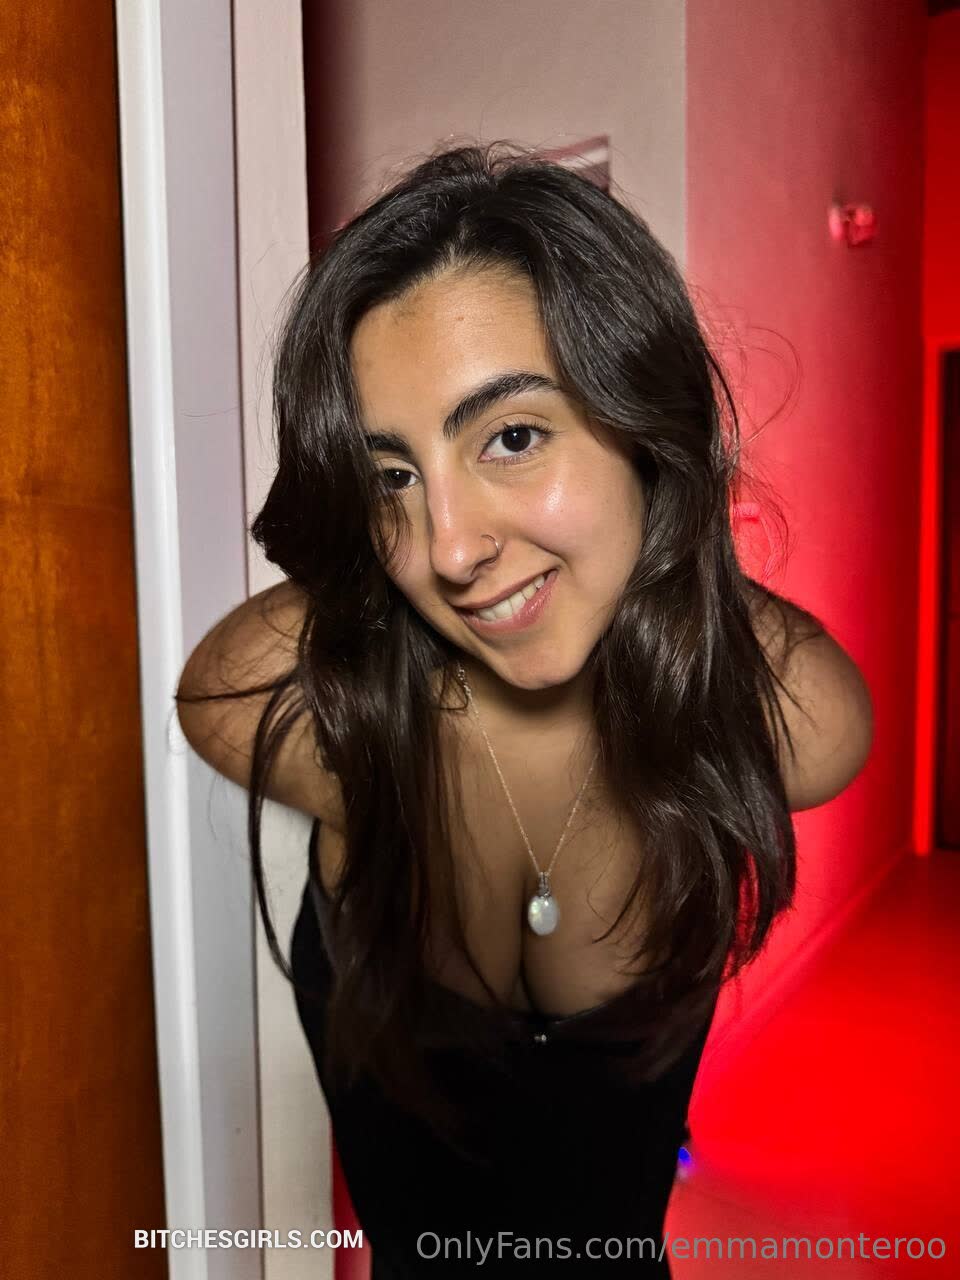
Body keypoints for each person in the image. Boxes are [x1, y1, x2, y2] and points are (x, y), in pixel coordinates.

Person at [175, 141, 874, 1276]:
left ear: (644, 422)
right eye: (392, 476)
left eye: (511, 436)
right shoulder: (323, 711)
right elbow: (214, 686)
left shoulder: (781, 711)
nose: (449, 548)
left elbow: (804, 698)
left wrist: (663, 550)